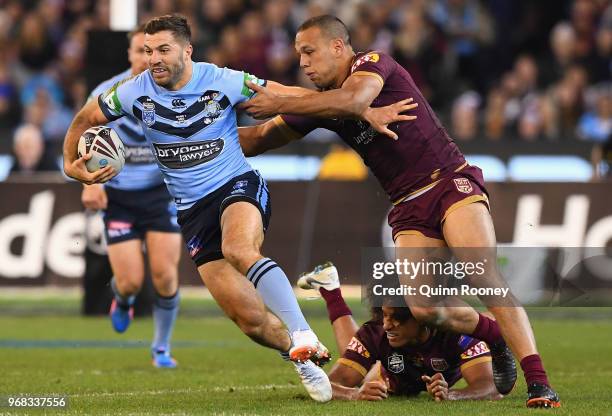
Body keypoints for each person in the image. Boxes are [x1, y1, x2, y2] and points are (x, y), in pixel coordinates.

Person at [238, 15, 560, 408]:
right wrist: (190, 135)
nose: (303, 62)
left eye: (309, 51)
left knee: (482, 273)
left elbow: (354, 100)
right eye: (298, 54)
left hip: (448, 181)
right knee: (424, 307)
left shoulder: (372, 63)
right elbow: (256, 140)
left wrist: (284, 99)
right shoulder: (318, 103)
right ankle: (494, 338)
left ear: (338, 47)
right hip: (407, 205)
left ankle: (540, 383)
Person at [63, 14, 338, 402]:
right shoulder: (132, 92)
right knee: (250, 320)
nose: (153, 58)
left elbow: (284, 94)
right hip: (191, 212)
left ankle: (302, 331)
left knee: (239, 249)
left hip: (235, 185)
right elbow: (86, 117)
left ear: (187, 50)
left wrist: (347, 107)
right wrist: (67, 162)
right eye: (147, 50)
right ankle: (302, 358)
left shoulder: (224, 80)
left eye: (163, 50)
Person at [81, 25, 182, 368]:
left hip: (160, 194)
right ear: (129, 54)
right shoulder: (107, 92)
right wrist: (90, 182)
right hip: (119, 197)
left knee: (165, 276)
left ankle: (161, 348)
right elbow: (83, 135)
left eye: (154, 51)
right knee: (130, 282)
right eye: (140, 50)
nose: (147, 58)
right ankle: (122, 299)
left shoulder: (177, 89)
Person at [298, 262, 502, 402]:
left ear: (422, 316)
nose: (387, 325)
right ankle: (331, 290)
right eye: (385, 315)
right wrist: (354, 394)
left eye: (397, 318)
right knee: (366, 378)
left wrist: (452, 395)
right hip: (391, 380)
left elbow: (490, 387)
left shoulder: (458, 331)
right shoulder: (376, 331)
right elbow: (328, 383)